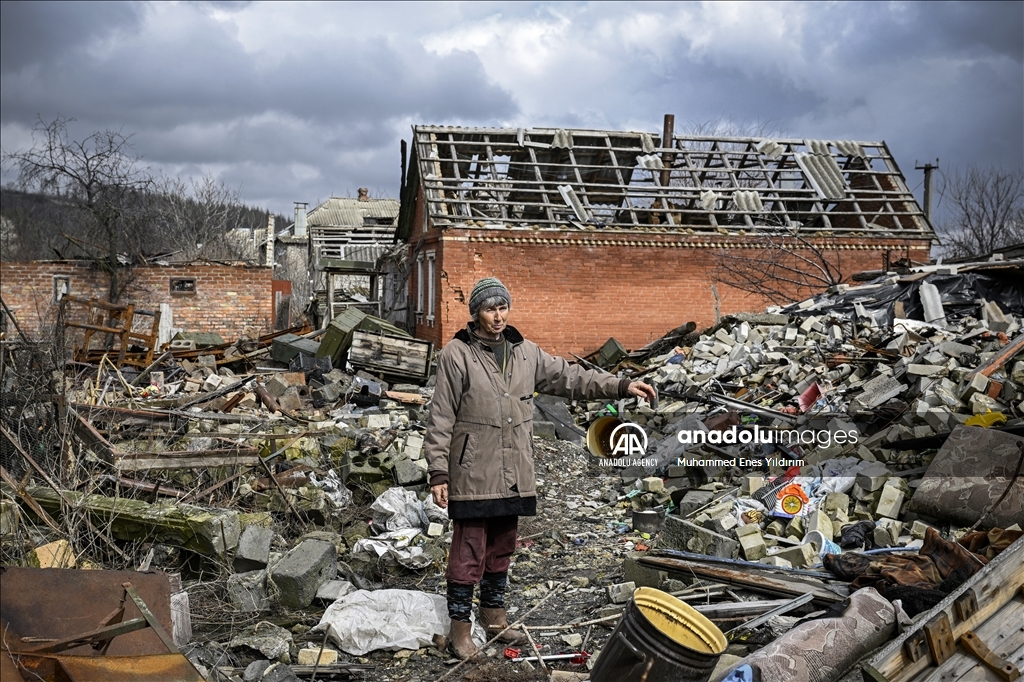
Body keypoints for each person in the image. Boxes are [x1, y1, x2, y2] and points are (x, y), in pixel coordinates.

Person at [424, 277, 657, 659]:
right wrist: (438, 473)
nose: (498, 317)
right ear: (476, 313)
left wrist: (622, 385)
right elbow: (441, 418)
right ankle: (459, 633)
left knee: (502, 548)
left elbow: (571, 378)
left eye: (503, 308)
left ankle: (494, 618)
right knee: (468, 554)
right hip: (472, 471)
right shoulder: (457, 354)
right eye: (489, 309)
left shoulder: (525, 351)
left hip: (514, 469)